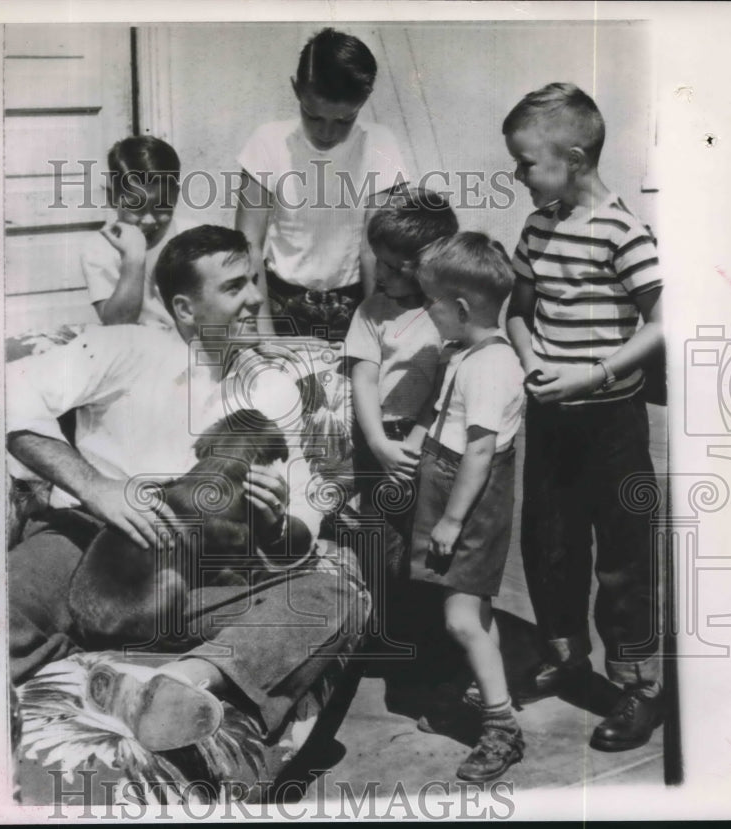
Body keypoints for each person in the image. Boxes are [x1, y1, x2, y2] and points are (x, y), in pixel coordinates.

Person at [7, 225, 367, 752]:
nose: (255, 297)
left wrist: (273, 524)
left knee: (334, 598)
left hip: (198, 577)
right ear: (185, 308)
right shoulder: (124, 346)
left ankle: (177, 685)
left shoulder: (273, 389)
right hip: (81, 542)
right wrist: (95, 486)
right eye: (234, 287)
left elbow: (301, 533)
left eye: (254, 281)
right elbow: (7, 392)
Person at [503, 83, 664, 751]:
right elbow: (518, 308)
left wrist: (593, 373)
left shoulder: (624, 231)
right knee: (550, 543)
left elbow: (664, 320)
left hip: (612, 424)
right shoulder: (539, 225)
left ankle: (638, 687)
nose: (517, 175)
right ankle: (568, 657)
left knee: (623, 556)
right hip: (553, 423)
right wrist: (531, 351)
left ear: (573, 157)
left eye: (526, 162)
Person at [406, 233, 526, 782]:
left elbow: (479, 450)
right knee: (475, 612)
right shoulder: (470, 354)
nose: (424, 309)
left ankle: (502, 728)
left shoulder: (489, 367)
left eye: (429, 300)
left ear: (458, 308)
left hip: (469, 506)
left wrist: (452, 519)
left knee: (459, 620)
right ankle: (487, 693)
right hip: (455, 495)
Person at [235, 27, 410, 340]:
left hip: (355, 303)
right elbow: (248, 244)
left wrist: (371, 335)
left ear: (364, 99)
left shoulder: (380, 144)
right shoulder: (267, 142)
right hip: (278, 303)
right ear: (296, 90)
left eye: (344, 121)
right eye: (313, 117)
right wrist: (265, 335)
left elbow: (374, 250)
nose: (327, 133)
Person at [345, 188, 458, 606]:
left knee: (428, 540)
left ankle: (428, 638)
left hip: (434, 441)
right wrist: (379, 444)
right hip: (382, 439)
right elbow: (364, 380)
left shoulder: (446, 314)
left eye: (394, 267)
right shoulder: (370, 312)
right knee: (382, 542)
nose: (381, 273)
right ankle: (381, 632)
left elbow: (446, 388)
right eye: (378, 260)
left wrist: (416, 442)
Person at [81, 135, 197, 330]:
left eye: (161, 206)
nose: (149, 220)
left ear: (175, 196)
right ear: (112, 197)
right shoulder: (99, 249)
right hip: (136, 349)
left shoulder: (193, 237)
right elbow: (117, 323)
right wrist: (134, 258)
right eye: (136, 206)